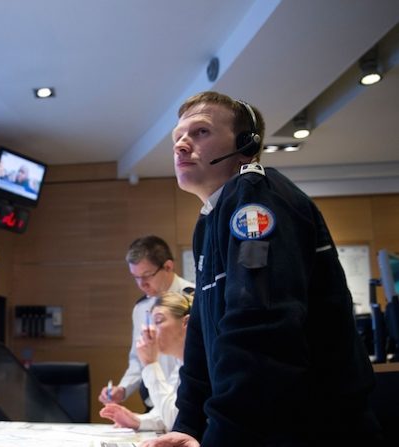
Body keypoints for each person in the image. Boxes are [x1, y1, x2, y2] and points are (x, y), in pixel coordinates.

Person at [142, 91, 382, 446]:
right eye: (178, 136)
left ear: (246, 145)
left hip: (313, 433)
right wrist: (188, 425)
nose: (180, 145)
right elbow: (201, 339)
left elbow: (259, 329)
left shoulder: (256, 199)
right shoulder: (210, 223)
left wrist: (221, 436)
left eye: (200, 132)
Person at [98, 236, 193, 406]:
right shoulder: (141, 308)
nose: (142, 284)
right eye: (136, 277)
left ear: (168, 266)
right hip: (154, 404)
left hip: (186, 401)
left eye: (147, 275)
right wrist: (123, 388)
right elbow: (137, 357)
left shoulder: (193, 298)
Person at [100, 291, 193, 432]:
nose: (151, 330)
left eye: (159, 321)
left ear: (186, 322)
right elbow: (169, 410)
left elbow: (176, 421)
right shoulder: (180, 362)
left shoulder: (199, 366)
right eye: (151, 322)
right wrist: (137, 420)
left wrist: (151, 365)